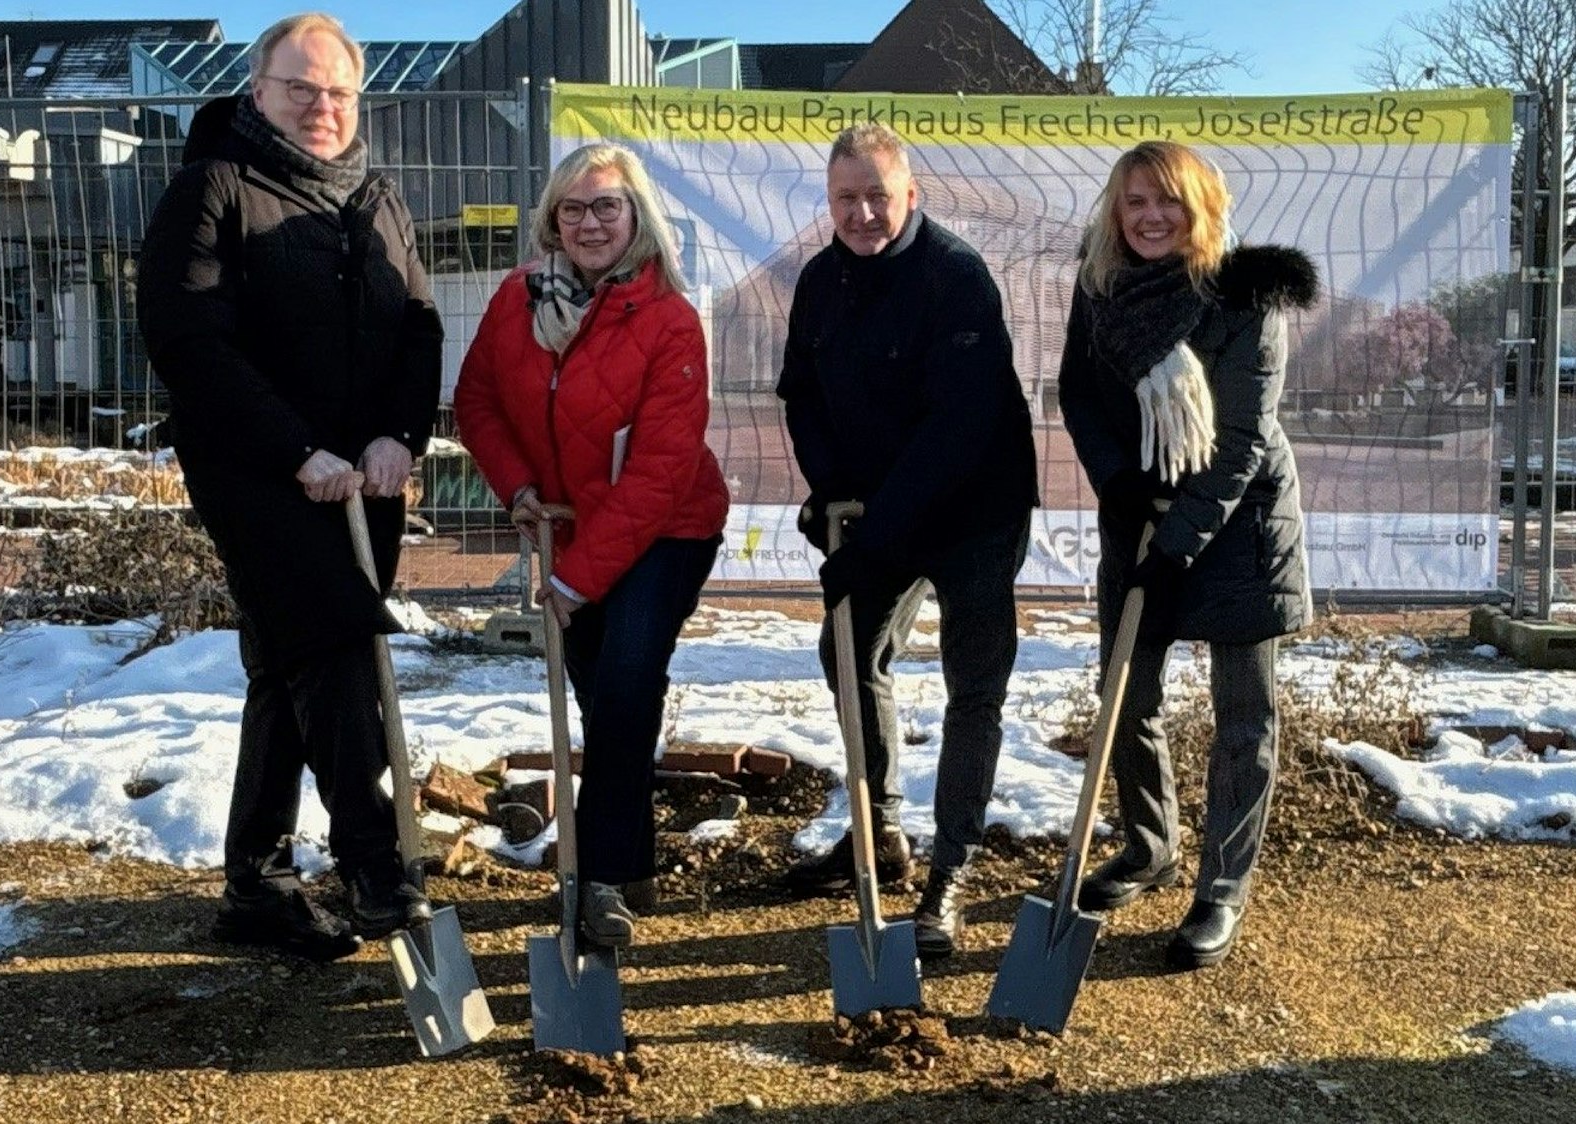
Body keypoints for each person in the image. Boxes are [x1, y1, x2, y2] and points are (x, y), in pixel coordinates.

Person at [138, 12, 442, 960]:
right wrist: (296, 451)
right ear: (258, 90)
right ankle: (378, 869)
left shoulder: (377, 196)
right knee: (338, 639)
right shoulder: (212, 188)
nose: (320, 107)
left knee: (287, 667)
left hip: (364, 481)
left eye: (337, 92)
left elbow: (421, 326)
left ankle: (257, 887)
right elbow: (190, 339)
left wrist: (399, 434)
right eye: (299, 89)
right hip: (260, 473)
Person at [455, 143, 728, 950]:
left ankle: (598, 881)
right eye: (572, 209)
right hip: (568, 523)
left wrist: (573, 583)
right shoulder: (516, 301)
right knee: (603, 698)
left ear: (637, 215)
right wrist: (519, 490)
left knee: (627, 676)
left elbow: (659, 471)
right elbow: (476, 403)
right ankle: (628, 859)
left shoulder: (669, 318)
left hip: (669, 528)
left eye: (606, 206)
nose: (589, 223)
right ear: (551, 219)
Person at [776, 123, 1038, 960]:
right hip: (882, 504)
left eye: (878, 196)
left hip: (974, 509)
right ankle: (879, 832)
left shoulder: (956, 277)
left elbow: (956, 432)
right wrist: (829, 493)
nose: (862, 213)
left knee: (974, 681)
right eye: (845, 198)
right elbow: (802, 396)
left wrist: (875, 533)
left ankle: (950, 869)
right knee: (847, 653)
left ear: (910, 196)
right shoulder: (820, 281)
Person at [1057, 140, 1317, 969]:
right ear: (1116, 210)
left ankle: (1221, 889)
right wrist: (1117, 481)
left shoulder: (1246, 294)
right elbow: (1076, 390)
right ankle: (1148, 846)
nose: (1151, 217)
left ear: (1200, 206)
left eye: (1167, 200)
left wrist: (1177, 544)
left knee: (1244, 719)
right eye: (1135, 201)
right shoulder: (1100, 286)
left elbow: (1240, 440)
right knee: (1126, 696)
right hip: (1137, 515)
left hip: (1237, 527)